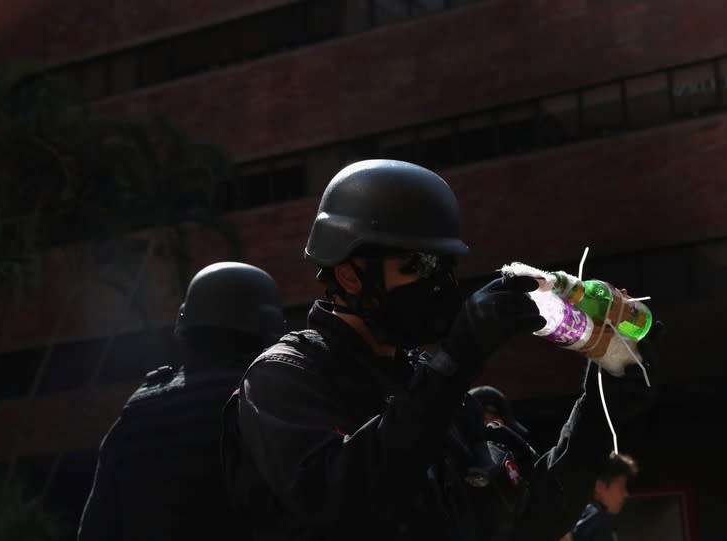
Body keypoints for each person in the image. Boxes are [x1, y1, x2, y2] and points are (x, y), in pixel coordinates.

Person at [221, 159, 662, 541]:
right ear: (351, 275)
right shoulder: (283, 378)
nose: (438, 284)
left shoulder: (433, 387)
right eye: (417, 265)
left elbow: (532, 516)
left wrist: (600, 405)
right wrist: (456, 362)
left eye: (444, 266)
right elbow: (343, 501)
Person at [78, 262, 285, 541]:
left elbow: (96, 530)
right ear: (267, 328)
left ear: (186, 325)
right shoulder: (275, 401)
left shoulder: (138, 412)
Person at [566, 452, 639, 541]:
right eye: (621, 485)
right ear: (599, 486)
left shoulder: (581, 515)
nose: (625, 494)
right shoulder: (595, 519)